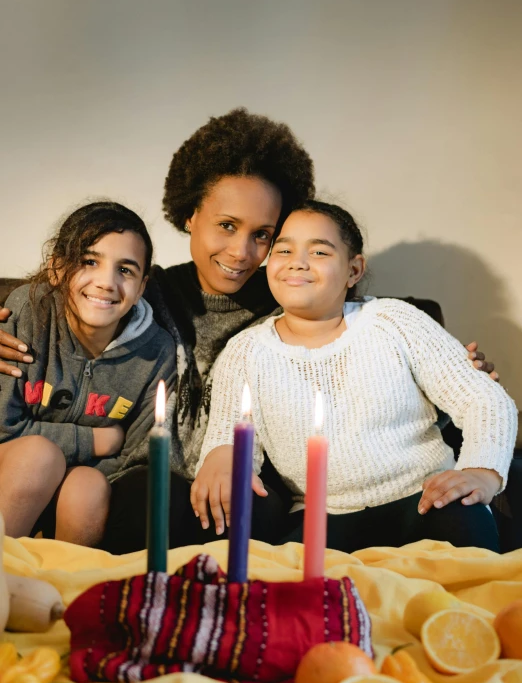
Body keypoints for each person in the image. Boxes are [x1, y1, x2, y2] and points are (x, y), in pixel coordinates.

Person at [0, 109, 498, 553]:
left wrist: (461, 368)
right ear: (190, 215)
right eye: (227, 226)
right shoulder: (138, 288)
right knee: (141, 502)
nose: (242, 252)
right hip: (151, 473)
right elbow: (57, 303)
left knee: (253, 511)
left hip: (262, 482)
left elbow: (375, 331)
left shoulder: (294, 299)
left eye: (264, 235)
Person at [194, 200, 517, 553]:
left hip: (424, 500)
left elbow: (483, 399)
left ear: (353, 270)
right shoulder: (245, 352)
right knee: (288, 580)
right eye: (283, 250)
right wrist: (221, 458)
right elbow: (229, 433)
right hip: (321, 517)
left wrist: (482, 472)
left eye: (319, 251)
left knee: (463, 523)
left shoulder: (393, 321)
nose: (297, 261)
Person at [0, 202, 176, 546]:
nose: (107, 282)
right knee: (39, 456)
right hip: (13, 471)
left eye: (125, 270)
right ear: (57, 269)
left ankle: (63, 591)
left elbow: (136, 454)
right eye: (89, 262)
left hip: (87, 484)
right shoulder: (28, 313)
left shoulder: (157, 351)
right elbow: (4, 429)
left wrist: (84, 470)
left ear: (142, 286)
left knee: (87, 486)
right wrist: (95, 440)